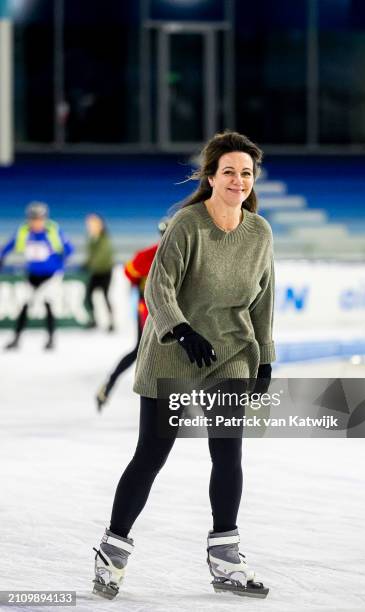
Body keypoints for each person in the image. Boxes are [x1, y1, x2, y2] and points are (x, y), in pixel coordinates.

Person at [92, 132, 275, 600]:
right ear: (212, 176)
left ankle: (226, 561)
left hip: (232, 353)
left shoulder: (260, 233)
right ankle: (111, 554)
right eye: (229, 171)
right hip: (174, 350)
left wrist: (266, 358)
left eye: (246, 173)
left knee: (227, 453)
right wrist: (181, 329)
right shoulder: (186, 224)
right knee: (152, 454)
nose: (238, 180)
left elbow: (264, 301)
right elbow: (158, 287)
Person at [96, 219, 168, 412]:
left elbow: (130, 274)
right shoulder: (148, 255)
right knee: (145, 350)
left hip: (159, 310)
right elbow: (129, 273)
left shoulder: (148, 255)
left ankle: (109, 385)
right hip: (150, 310)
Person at [0, 202, 74, 350]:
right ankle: (16, 338)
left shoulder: (53, 231)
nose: (36, 222)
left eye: (39, 219)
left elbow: (69, 249)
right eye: (33, 219)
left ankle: (51, 339)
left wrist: (59, 261)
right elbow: (8, 246)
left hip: (51, 276)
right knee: (24, 305)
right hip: (32, 276)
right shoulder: (23, 232)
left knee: (48, 304)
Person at [83, 213, 115, 332]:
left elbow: (102, 256)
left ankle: (112, 322)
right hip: (96, 272)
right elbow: (91, 255)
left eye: (93, 223)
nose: (90, 226)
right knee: (88, 296)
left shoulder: (104, 238)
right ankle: (93, 319)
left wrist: (90, 265)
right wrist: (86, 263)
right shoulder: (91, 238)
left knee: (105, 296)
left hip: (105, 271)